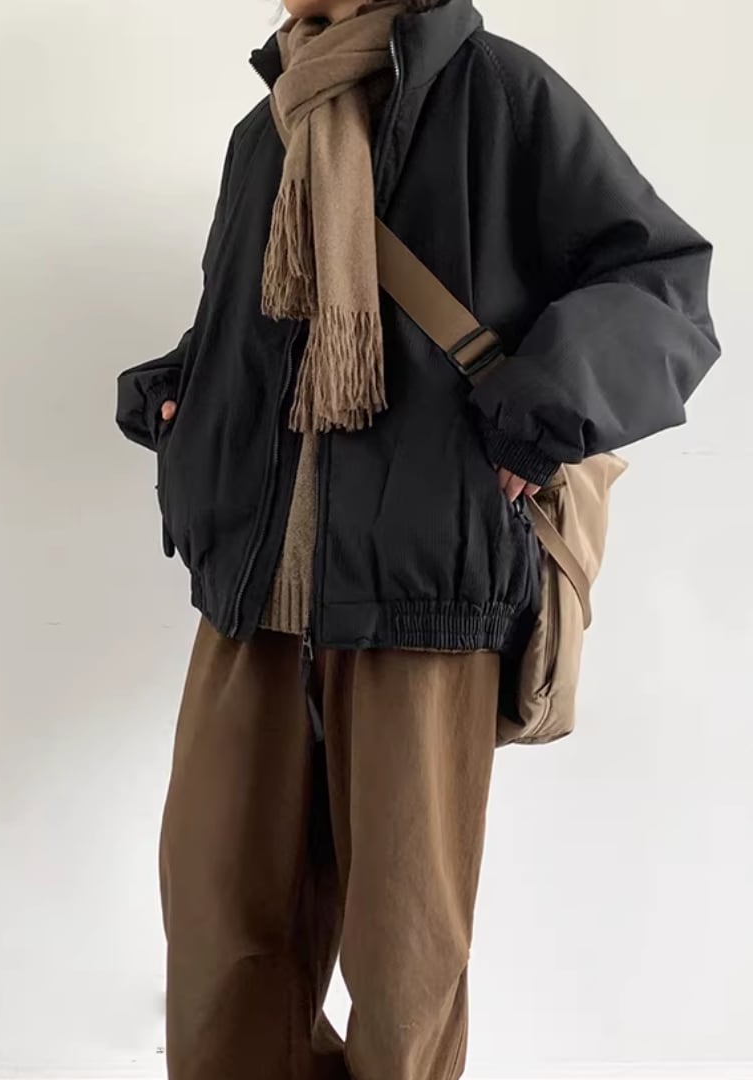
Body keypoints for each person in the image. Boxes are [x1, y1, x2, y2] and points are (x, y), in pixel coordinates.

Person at [115, 1, 719, 1077]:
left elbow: (663, 281)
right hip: (254, 592)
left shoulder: (499, 95)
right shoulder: (268, 129)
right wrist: (179, 390)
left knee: (403, 963)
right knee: (217, 931)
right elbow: (255, 329)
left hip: (420, 590)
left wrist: (550, 401)